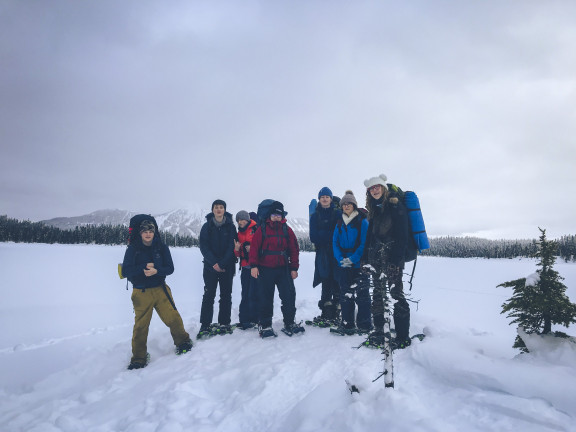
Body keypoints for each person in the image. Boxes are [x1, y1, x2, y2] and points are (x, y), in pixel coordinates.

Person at [122, 218, 192, 370]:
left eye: (150, 231)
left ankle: (183, 342)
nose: (148, 234)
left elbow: (170, 268)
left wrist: (157, 270)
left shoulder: (161, 247)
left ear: (154, 233)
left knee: (173, 317)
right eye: (145, 232)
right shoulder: (133, 249)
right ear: (140, 233)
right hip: (141, 292)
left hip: (161, 289)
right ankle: (139, 358)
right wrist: (143, 267)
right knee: (141, 326)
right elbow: (126, 271)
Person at [362, 174, 412, 349]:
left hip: (392, 259)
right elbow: (370, 237)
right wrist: (364, 259)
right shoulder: (374, 209)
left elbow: (402, 236)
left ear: (383, 188)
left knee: (396, 294)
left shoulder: (395, 205)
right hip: (376, 258)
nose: (375, 190)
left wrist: (396, 262)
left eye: (377, 187)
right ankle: (379, 330)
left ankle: (403, 336)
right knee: (377, 294)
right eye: (372, 188)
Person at [249, 201, 304, 338]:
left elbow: (294, 249)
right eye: (274, 214)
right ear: (270, 215)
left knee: (289, 296)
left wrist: (294, 267)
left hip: (283, 269)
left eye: (278, 215)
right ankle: (266, 325)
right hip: (265, 269)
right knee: (265, 297)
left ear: (282, 216)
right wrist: (254, 266)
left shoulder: (287, 229)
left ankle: (289, 323)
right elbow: (254, 248)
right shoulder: (262, 229)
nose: (276, 217)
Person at [332, 191, 371, 334]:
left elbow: (364, 244)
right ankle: (347, 323)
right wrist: (341, 259)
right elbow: (334, 242)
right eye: (344, 204)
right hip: (343, 264)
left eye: (349, 204)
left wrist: (352, 259)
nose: (346, 206)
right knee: (345, 294)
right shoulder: (339, 222)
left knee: (363, 295)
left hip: (360, 264)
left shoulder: (362, 221)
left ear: (354, 205)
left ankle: (365, 324)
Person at [198, 199, 238, 337]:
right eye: (216, 207)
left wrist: (222, 264)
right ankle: (205, 325)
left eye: (221, 207)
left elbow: (232, 247)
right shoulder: (206, 226)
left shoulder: (231, 227)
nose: (219, 209)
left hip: (227, 267)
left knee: (226, 295)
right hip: (210, 267)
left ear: (225, 210)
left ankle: (224, 322)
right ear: (212, 210)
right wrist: (214, 263)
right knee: (209, 295)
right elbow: (204, 247)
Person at [309, 186, 342, 324]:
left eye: (327, 197)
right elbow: (313, 237)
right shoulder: (315, 215)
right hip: (322, 252)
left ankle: (338, 310)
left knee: (337, 279)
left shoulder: (337, 213)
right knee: (325, 279)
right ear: (319, 199)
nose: (325, 199)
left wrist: (325, 235)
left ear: (330, 198)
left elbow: (339, 232)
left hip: (336, 251)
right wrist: (329, 235)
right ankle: (327, 312)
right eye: (322, 197)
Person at [234, 210, 259, 329]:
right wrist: (237, 249)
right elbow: (237, 254)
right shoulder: (238, 233)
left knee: (253, 293)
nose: (241, 222)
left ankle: (255, 319)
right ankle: (244, 320)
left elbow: (261, 246)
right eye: (239, 220)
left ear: (247, 220)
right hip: (245, 267)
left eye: (243, 219)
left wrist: (252, 247)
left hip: (256, 267)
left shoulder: (255, 229)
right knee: (245, 293)